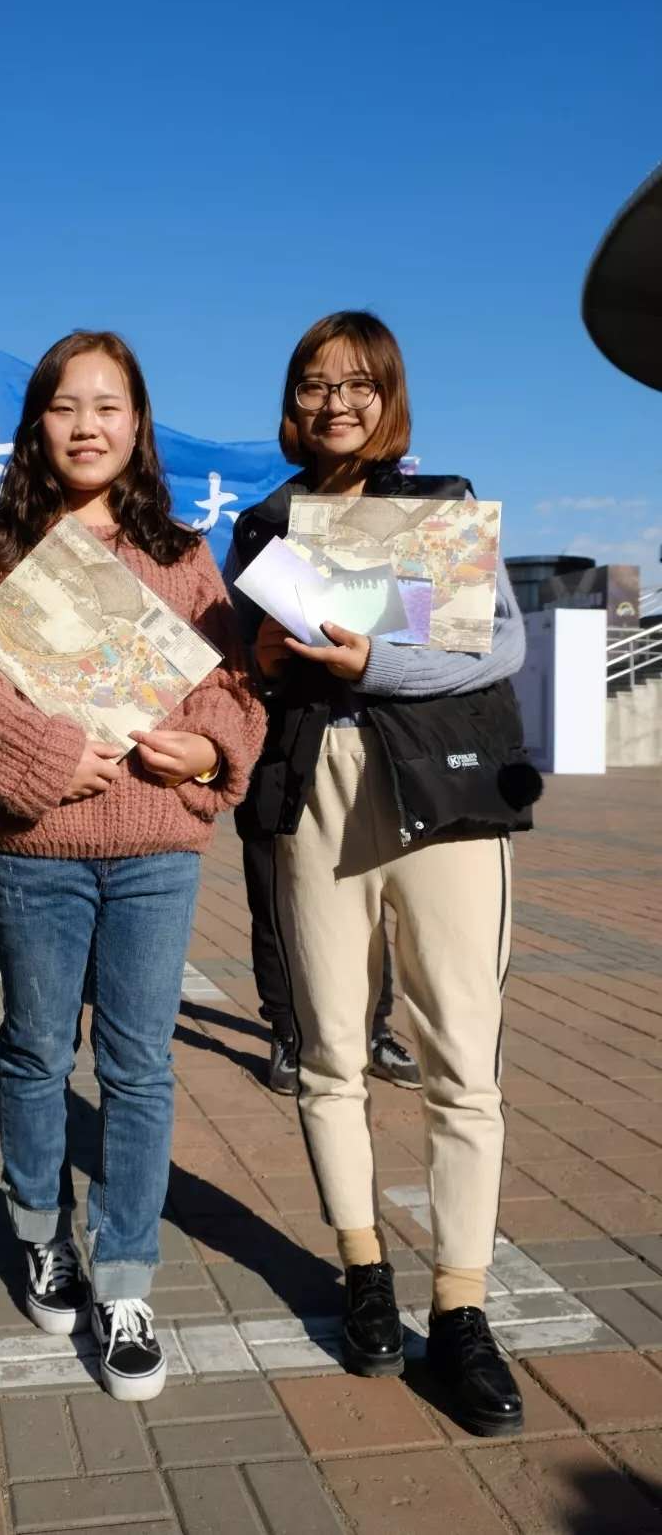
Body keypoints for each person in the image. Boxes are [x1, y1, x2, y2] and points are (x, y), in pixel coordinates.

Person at [0, 331, 264, 1402]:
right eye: (66, 405)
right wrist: (48, 759)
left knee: (139, 1067)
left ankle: (125, 1279)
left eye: (108, 405)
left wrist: (207, 750)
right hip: (36, 849)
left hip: (159, 846)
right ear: (37, 424)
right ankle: (42, 1235)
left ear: (138, 423)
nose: (87, 425)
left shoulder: (180, 550)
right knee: (35, 1052)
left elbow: (227, 684)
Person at [229, 312, 541, 1438]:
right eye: (316, 384)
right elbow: (242, 669)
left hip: (443, 792)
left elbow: (501, 645)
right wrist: (263, 659)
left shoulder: (442, 504)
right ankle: (363, 1269)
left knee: (462, 1057)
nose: (336, 404)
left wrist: (376, 661)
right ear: (292, 402)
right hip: (314, 789)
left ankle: (461, 1308)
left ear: (391, 396)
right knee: (329, 1051)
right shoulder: (265, 525)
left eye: (359, 384)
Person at [240, 824, 420, 1093]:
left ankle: (374, 1033)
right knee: (273, 906)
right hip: (273, 807)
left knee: (366, 910)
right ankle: (286, 1035)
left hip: (348, 808)